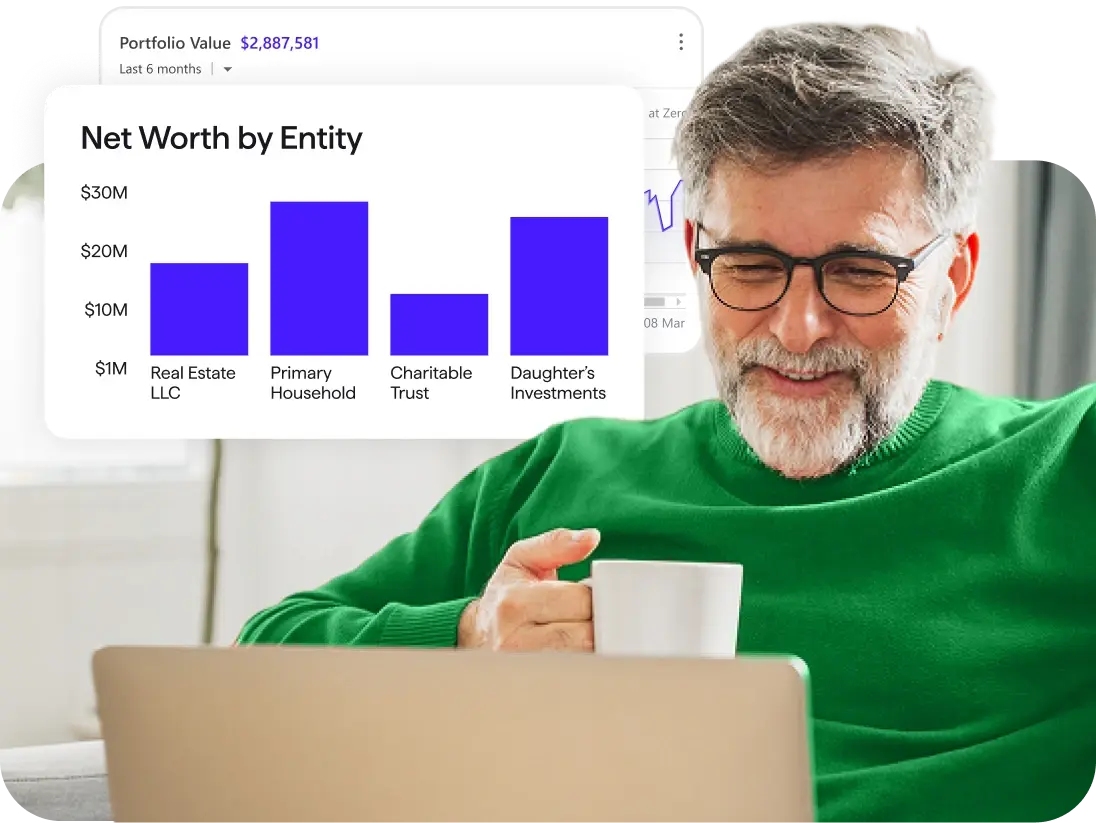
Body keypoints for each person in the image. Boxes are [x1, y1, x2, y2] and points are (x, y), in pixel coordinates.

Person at [236, 17, 1096, 823]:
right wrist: (468, 639)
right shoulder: (565, 472)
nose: (797, 329)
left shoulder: (1066, 464)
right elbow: (263, 654)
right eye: (753, 265)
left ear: (956, 277)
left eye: (860, 270)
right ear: (694, 254)